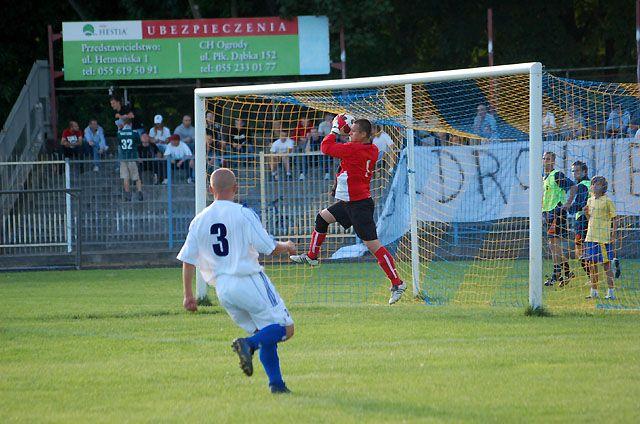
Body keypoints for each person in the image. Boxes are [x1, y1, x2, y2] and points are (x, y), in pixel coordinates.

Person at [177, 168, 297, 394]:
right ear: (236, 188)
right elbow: (267, 247)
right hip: (248, 279)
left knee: (264, 332)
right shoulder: (243, 213)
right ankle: (247, 345)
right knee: (284, 328)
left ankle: (277, 385)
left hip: (223, 289)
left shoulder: (199, 220)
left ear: (210, 189)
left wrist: (188, 295)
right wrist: (287, 246)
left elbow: (188, 259)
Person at [289, 115, 408, 305]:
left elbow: (325, 147)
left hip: (359, 205)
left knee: (373, 246)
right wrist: (346, 135)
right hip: (349, 202)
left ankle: (398, 283)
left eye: (353, 131)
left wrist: (335, 130)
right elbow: (348, 159)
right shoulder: (371, 148)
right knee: (322, 218)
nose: (349, 133)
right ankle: (312, 257)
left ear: (363, 134)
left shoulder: (354, 148)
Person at [542, 151, 578, 287]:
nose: (546, 161)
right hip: (548, 214)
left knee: (553, 245)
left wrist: (568, 203)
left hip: (557, 213)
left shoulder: (557, 175)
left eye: (549, 159)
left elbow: (573, 186)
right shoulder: (545, 177)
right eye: (544, 158)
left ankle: (556, 274)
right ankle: (566, 272)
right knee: (553, 246)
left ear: (553, 161)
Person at [583, 176, 618, 300]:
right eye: (593, 184)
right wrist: (586, 213)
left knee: (606, 266)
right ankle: (594, 292)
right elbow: (590, 219)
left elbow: (614, 218)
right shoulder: (590, 200)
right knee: (592, 265)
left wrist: (613, 234)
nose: (595, 186)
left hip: (602, 238)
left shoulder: (607, 201)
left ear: (603, 187)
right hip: (590, 237)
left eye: (598, 184)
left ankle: (611, 292)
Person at [568, 161, 591, 281]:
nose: (574, 173)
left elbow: (580, 203)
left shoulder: (582, 185)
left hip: (582, 221)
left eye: (577, 171)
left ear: (584, 171)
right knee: (587, 250)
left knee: (580, 252)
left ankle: (591, 278)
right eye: (573, 171)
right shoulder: (589, 184)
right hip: (589, 220)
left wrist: (566, 208)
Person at [117, 118, 143, 201]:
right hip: (132, 157)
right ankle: (139, 192)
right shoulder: (134, 133)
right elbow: (138, 142)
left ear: (123, 124)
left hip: (123, 158)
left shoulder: (120, 133)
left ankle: (127, 195)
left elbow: (119, 143)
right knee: (136, 177)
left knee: (125, 177)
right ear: (131, 124)